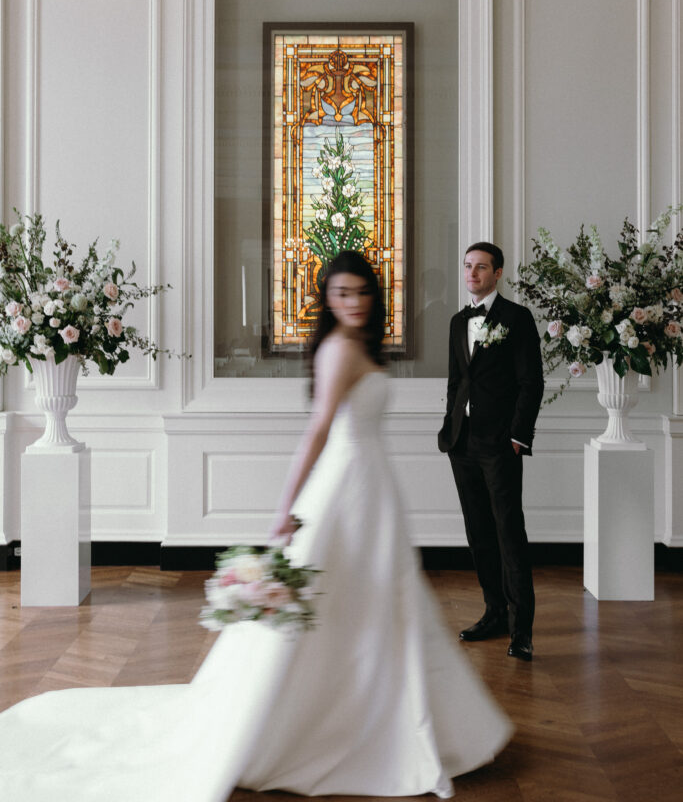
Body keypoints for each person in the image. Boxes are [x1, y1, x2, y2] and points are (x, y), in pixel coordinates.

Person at [0, 250, 511, 801]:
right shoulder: (339, 350)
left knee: (375, 602)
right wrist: (285, 508)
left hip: (371, 487)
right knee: (342, 601)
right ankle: (324, 725)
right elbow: (317, 433)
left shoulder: (359, 346)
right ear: (327, 299)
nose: (353, 303)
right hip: (345, 489)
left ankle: (375, 716)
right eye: (341, 294)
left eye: (361, 292)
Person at [438, 242, 544, 662]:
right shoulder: (456, 321)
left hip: (500, 444)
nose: (472, 273)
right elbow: (455, 381)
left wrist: (519, 436)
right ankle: (494, 613)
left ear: (498, 272)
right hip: (461, 443)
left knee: (508, 533)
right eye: (467, 266)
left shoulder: (517, 318)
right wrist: (449, 426)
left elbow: (530, 382)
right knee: (478, 533)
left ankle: (523, 631)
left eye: (481, 267)